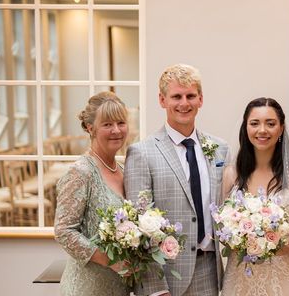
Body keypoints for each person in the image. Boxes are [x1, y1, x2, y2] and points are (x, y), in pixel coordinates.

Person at [124, 64, 230, 296]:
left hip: (210, 272)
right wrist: (155, 288)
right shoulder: (142, 153)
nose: (184, 103)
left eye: (191, 96)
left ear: (200, 99)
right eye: (176, 97)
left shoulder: (220, 149)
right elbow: (139, 226)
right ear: (162, 100)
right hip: (166, 275)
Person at [220, 97, 289, 296]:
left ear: (281, 129)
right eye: (254, 123)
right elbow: (222, 226)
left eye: (270, 124)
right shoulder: (231, 174)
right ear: (246, 128)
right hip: (240, 278)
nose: (262, 130)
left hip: (283, 278)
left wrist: (268, 245)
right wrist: (240, 239)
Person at [54, 91, 131, 296]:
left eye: (121, 123)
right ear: (91, 128)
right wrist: (111, 260)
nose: (116, 130)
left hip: (118, 288)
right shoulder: (81, 172)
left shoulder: (123, 170)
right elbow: (64, 231)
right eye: (107, 124)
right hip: (87, 288)